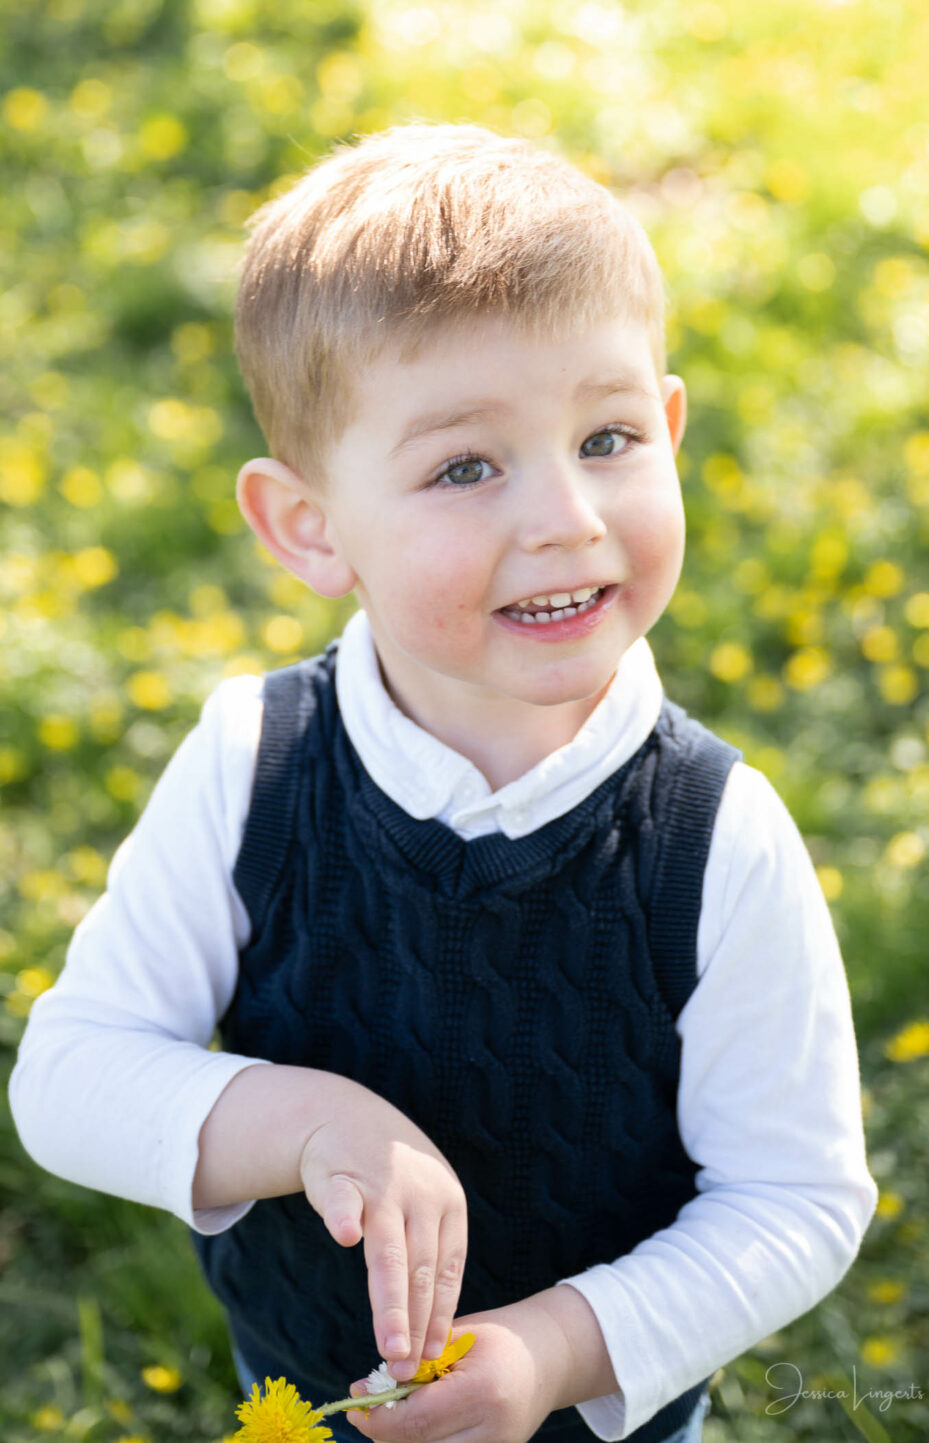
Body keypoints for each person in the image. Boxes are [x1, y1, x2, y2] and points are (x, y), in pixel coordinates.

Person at [9, 122, 878, 1443]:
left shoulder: (712, 838)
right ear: (310, 527)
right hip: (306, 1397)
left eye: (608, 437)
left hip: (594, 1418)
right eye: (467, 467)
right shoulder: (255, 766)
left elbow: (797, 1198)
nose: (567, 519)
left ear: (672, 428)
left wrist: (554, 1353)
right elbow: (69, 1078)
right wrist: (304, 1122)